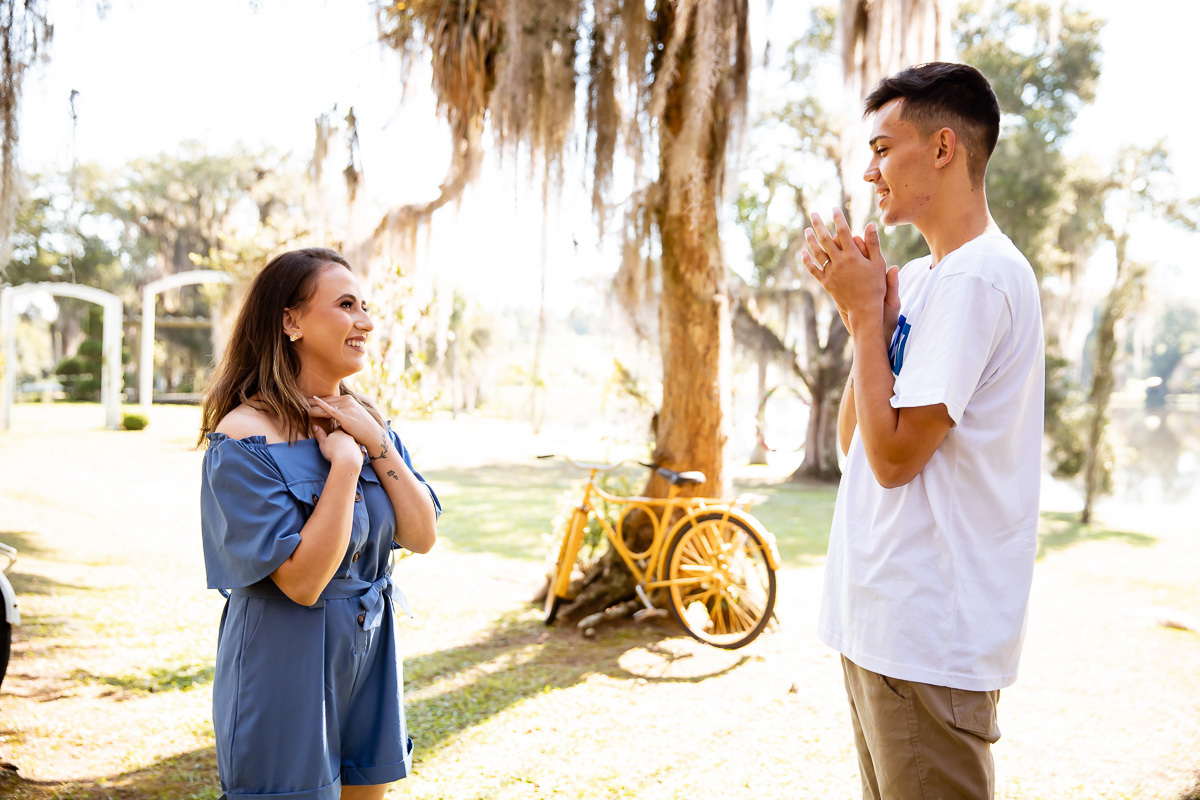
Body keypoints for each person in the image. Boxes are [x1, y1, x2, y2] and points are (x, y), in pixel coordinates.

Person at [801, 63, 1044, 799]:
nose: (871, 171)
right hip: (880, 631)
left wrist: (870, 318)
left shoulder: (979, 278)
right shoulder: (932, 279)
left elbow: (899, 457)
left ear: (943, 149)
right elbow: (856, 447)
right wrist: (864, 318)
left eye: (883, 148)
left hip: (927, 641)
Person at [198, 247, 440, 800]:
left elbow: (422, 537)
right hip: (286, 659)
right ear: (291, 321)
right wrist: (347, 467)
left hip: (371, 647)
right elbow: (302, 582)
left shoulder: (370, 424)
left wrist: (375, 442)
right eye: (347, 304)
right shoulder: (243, 437)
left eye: (366, 306)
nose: (366, 321)